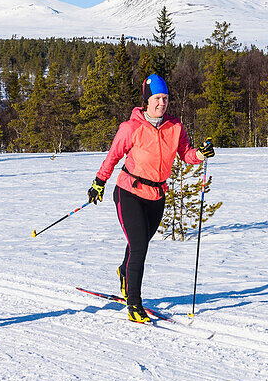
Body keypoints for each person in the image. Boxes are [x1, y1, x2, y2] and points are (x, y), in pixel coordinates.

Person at [87, 74, 214, 322]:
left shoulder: (175, 127)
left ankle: (124, 272)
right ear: (146, 100)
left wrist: (200, 153)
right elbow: (112, 157)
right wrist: (99, 183)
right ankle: (134, 303)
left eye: (165, 98)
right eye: (157, 98)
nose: (162, 103)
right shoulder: (130, 128)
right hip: (129, 192)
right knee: (140, 247)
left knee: (139, 242)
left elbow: (185, 154)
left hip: (157, 195)